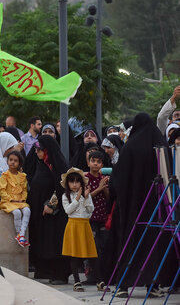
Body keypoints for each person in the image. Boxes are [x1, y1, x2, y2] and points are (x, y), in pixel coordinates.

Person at [102, 113, 175, 298]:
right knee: (153, 242)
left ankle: (124, 285)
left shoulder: (130, 146)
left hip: (132, 207)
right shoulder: (159, 144)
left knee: (130, 241)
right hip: (155, 205)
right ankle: (153, 283)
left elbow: (117, 179)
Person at [28, 135, 70, 284]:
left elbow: (62, 187)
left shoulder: (57, 165)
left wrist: (51, 205)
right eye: (36, 150)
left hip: (55, 213)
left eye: (40, 150)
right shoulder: (41, 164)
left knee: (55, 242)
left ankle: (60, 274)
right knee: (42, 241)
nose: (37, 153)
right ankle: (44, 270)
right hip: (40, 212)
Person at [60, 168, 105, 292]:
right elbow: (68, 210)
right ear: (67, 184)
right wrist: (77, 198)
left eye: (77, 182)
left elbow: (90, 210)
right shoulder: (65, 196)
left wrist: (85, 198)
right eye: (71, 182)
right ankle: (76, 282)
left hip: (85, 225)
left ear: (81, 183)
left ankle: (99, 281)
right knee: (74, 255)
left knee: (91, 254)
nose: (74, 184)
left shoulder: (87, 195)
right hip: (73, 225)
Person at [84, 150, 109, 286]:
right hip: (90, 218)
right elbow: (85, 198)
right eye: (93, 161)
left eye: (98, 162)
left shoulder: (103, 178)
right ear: (88, 162)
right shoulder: (85, 178)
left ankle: (102, 275)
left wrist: (104, 187)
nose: (95, 164)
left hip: (102, 217)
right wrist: (99, 188)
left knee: (103, 246)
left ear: (102, 164)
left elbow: (108, 197)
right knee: (92, 247)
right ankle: (91, 276)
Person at [0, 150, 30, 247]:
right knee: (17, 213)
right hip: (8, 201)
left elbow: (24, 190)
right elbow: (2, 191)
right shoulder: (4, 176)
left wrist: (22, 199)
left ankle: (21, 234)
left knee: (27, 210)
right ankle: (19, 234)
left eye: (15, 160)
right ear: (7, 161)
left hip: (20, 201)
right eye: (10, 160)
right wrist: (11, 199)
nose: (12, 162)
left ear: (19, 163)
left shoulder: (22, 176)